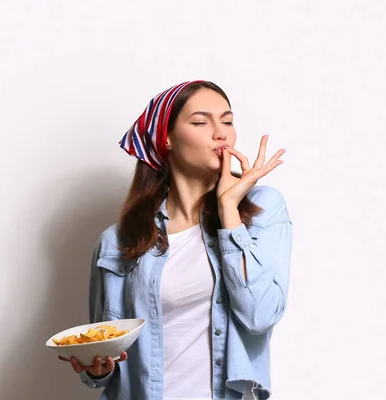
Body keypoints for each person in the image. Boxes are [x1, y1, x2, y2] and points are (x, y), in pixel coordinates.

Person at [60, 80, 293, 400]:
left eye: (227, 120)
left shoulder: (263, 209)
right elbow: (105, 352)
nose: (220, 132)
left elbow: (259, 316)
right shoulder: (117, 241)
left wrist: (229, 211)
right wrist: (97, 368)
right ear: (166, 138)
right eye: (201, 122)